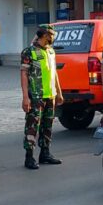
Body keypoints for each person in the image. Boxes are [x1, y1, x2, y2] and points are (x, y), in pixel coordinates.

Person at [20, 24, 64, 170]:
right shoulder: (29, 52)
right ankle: (29, 157)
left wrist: (59, 92)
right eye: (52, 35)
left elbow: (54, 73)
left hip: (50, 95)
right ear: (45, 35)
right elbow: (24, 74)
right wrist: (25, 97)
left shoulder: (50, 51)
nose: (53, 38)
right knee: (32, 126)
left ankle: (45, 153)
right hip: (36, 96)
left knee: (47, 126)